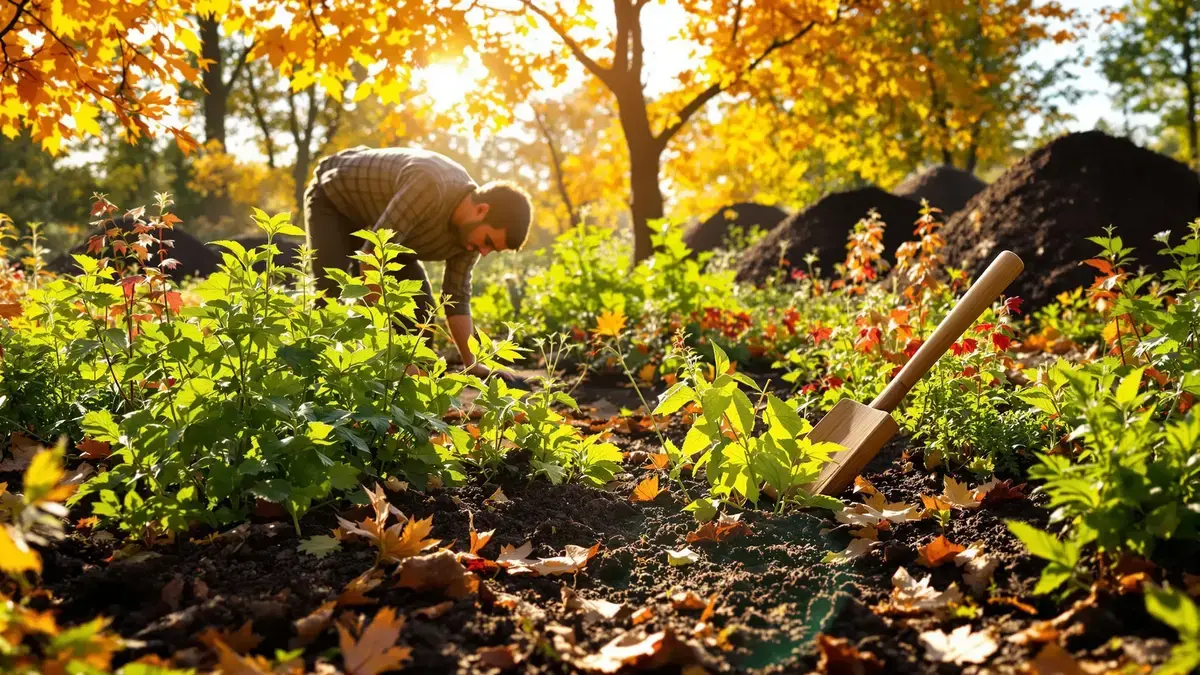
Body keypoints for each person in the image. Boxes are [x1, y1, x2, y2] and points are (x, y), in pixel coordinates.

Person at [304, 146, 530, 382]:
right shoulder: (430, 186)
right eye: (487, 242)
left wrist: (472, 364)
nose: (484, 252)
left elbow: (456, 299)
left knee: (419, 312)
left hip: (386, 223)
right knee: (329, 295)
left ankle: (404, 391)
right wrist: (387, 345)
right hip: (333, 198)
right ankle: (315, 381)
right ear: (481, 210)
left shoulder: (469, 238)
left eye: (491, 249)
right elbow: (372, 257)